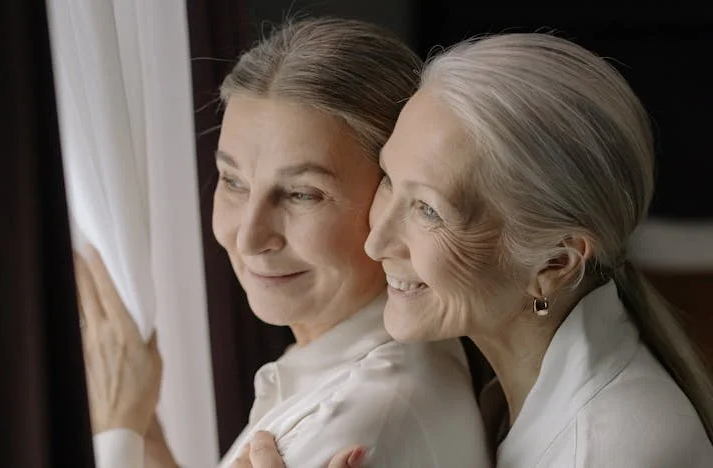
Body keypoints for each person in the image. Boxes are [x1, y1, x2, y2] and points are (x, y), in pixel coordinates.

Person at [237, 32, 713, 467]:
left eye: (427, 209)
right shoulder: (504, 389)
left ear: (554, 262)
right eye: (388, 179)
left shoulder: (607, 453)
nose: (376, 239)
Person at [74, 17, 492, 468]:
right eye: (233, 181)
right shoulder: (348, 375)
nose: (250, 237)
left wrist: (114, 430)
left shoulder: (360, 420)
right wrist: (143, 435)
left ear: (392, 197)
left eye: (301, 193)